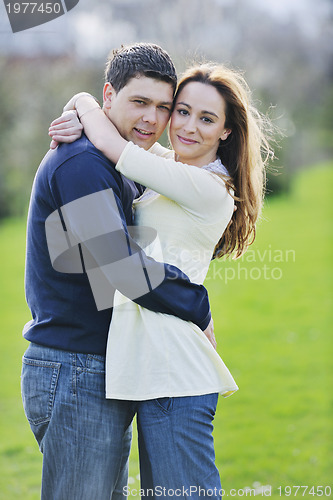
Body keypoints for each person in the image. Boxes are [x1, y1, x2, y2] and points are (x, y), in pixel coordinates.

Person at [49, 62, 273, 498]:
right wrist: (83, 106)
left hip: (175, 374)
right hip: (155, 371)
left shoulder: (208, 188)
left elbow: (115, 146)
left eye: (207, 119)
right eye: (182, 111)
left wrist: (81, 103)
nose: (187, 127)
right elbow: (121, 138)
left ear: (227, 131)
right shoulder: (172, 165)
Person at [21, 43, 217, 500]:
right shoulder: (82, 164)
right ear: (109, 95)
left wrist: (81, 104)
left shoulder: (117, 159)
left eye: (163, 107)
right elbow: (121, 267)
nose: (152, 118)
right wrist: (197, 303)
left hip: (101, 368)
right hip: (74, 369)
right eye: (140, 102)